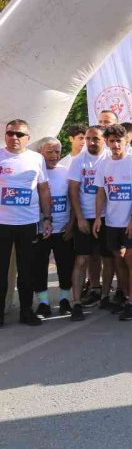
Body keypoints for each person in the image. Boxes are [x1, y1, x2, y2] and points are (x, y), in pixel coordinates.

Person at [0, 119, 52, 327]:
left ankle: (26, 312)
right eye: (10, 133)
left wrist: (47, 218)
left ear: (28, 138)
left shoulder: (36, 159)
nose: (14, 138)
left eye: (19, 135)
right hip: (2, 224)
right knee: (1, 272)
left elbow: (44, 189)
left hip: (28, 223)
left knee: (27, 271)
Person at [92, 125, 132, 321]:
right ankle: (125, 296)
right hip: (111, 222)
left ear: (126, 141)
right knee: (118, 260)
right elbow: (100, 193)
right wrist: (98, 217)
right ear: (107, 142)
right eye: (112, 141)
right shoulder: (103, 165)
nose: (115, 145)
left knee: (131, 259)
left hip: (130, 221)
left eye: (119, 141)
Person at [67, 126, 110, 309]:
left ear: (104, 140)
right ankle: (77, 301)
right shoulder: (79, 160)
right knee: (83, 259)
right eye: (88, 138)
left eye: (96, 139)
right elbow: (73, 191)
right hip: (85, 216)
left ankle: (106, 295)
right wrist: (80, 218)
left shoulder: (110, 158)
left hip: (108, 217)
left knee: (107, 258)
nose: (91, 142)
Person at [32, 138, 73, 318]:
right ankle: (43, 303)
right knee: (39, 267)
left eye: (57, 152)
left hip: (63, 230)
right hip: (41, 230)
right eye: (50, 152)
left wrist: (71, 224)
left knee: (65, 266)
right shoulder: (34, 172)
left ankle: (65, 300)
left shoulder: (66, 172)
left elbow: (74, 200)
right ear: (41, 153)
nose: (54, 156)